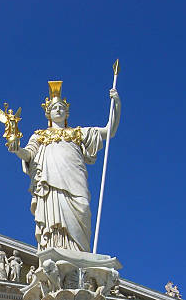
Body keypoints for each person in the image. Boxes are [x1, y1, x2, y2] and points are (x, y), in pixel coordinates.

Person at [7, 81, 121, 252]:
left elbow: (109, 131)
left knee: (83, 208)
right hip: (50, 181)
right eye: (54, 108)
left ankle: (80, 254)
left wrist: (117, 104)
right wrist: (17, 149)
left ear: (67, 113)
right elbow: (29, 154)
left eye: (61, 107)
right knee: (54, 218)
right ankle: (57, 249)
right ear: (48, 114)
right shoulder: (39, 135)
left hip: (75, 178)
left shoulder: (77, 132)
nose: (58, 110)